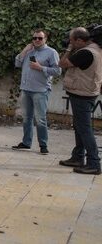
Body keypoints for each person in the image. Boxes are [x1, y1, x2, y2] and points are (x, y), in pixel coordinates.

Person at [58, 27, 102, 175]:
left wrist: (69, 48)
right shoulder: (96, 50)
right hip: (86, 92)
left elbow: (62, 63)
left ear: (79, 40)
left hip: (82, 95)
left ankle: (94, 163)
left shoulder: (85, 53)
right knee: (80, 127)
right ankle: (78, 157)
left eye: (71, 41)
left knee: (85, 129)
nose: (70, 43)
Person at [12, 29, 61, 154]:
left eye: (40, 38)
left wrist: (41, 68)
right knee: (26, 118)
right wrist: (24, 51)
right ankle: (26, 143)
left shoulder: (51, 52)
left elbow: (57, 71)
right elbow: (17, 63)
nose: (37, 40)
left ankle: (43, 145)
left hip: (40, 90)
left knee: (40, 119)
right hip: (26, 89)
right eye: (34, 38)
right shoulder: (29, 51)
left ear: (45, 39)